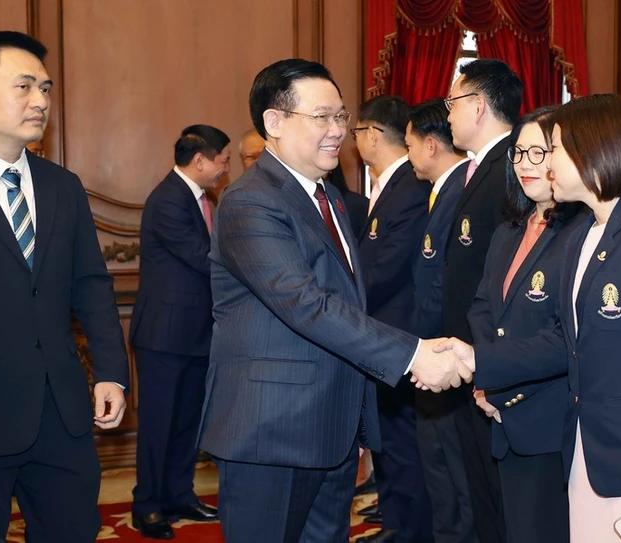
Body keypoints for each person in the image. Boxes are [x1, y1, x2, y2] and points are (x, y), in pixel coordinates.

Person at [197, 58, 470, 543]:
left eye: (340, 117)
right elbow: (307, 304)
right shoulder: (249, 201)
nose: (336, 131)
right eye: (320, 117)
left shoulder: (330, 199)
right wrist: (414, 354)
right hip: (272, 434)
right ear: (274, 123)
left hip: (333, 427)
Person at [434, 94, 621, 543]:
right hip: (585, 452)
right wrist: (475, 359)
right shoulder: (586, 233)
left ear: (594, 151)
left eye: (556, 150)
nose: (546, 166)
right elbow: (565, 341)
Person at [0, 31, 129, 541]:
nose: (40, 101)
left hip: (63, 417)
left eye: (45, 89)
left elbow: (91, 285)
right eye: (23, 86)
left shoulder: (61, 185)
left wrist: (112, 372)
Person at [470, 106, 584, 543]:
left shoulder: (580, 232)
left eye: (541, 152)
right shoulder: (509, 230)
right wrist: (486, 379)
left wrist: (496, 379)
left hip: (549, 416)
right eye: (519, 153)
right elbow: (482, 308)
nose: (527, 165)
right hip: (500, 411)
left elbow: (566, 335)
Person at [129, 125, 230, 538]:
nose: (226, 169)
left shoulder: (199, 197)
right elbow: (202, 258)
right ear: (200, 160)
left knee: (188, 421)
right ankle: (148, 504)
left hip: (195, 334)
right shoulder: (169, 199)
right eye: (222, 161)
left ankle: (178, 494)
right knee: (158, 424)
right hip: (164, 336)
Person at [443, 58, 523, 543]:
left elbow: (508, 279)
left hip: (491, 363)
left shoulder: (513, 166)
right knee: (482, 493)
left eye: (452, 103)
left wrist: (490, 363)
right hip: (468, 356)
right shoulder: (476, 169)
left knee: (501, 495)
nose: (446, 114)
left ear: (477, 107)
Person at [352, 95, 433, 543]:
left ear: (374, 134)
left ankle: (411, 531)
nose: (353, 141)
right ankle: (397, 524)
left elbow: (389, 266)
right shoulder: (389, 184)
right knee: (387, 442)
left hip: (399, 333)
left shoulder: (410, 187)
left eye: (356, 132)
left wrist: (340, 300)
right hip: (378, 333)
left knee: (402, 446)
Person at [406, 98, 477, 543]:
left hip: (445, 356)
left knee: (454, 478)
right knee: (440, 474)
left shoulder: (459, 192)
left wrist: (424, 352)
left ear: (431, 146)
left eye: (410, 144)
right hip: (433, 353)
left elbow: (444, 286)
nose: (409, 153)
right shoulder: (442, 192)